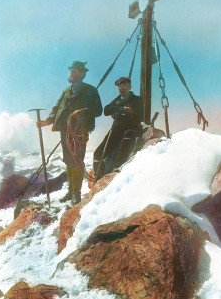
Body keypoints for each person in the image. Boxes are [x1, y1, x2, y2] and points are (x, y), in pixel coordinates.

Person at [37, 61, 103, 205]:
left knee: (77, 160)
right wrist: (47, 121)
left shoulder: (90, 90)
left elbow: (98, 110)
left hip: (79, 131)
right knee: (68, 160)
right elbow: (57, 107)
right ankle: (71, 191)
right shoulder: (67, 90)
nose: (73, 73)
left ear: (82, 74)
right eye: (71, 71)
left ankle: (76, 194)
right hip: (65, 130)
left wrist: (83, 111)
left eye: (76, 71)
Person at [93, 76, 144, 179]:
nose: (122, 89)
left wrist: (131, 112)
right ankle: (98, 177)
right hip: (117, 130)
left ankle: (117, 171)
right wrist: (121, 109)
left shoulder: (137, 100)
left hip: (132, 128)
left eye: (125, 86)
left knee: (125, 141)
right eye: (120, 87)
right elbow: (106, 110)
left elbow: (141, 116)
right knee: (98, 153)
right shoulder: (117, 100)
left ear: (130, 87)